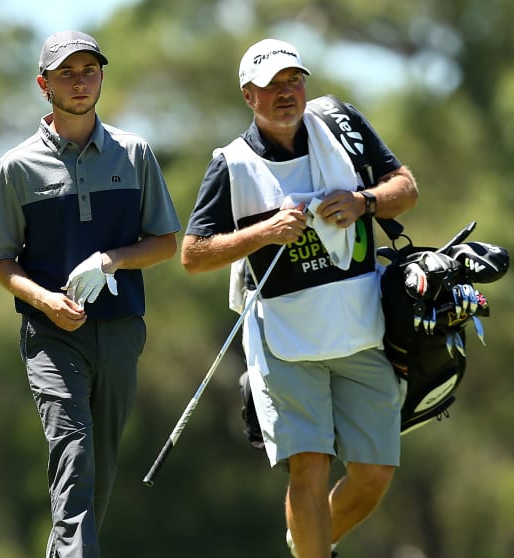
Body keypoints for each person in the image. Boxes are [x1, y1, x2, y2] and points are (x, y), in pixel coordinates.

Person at [181, 39, 419, 558]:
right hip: (284, 340)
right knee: (310, 466)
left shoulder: (342, 124)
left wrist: (363, 201)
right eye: (271, 86)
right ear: (249, 96)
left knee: (375, 473)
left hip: (361, 330)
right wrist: (265, 233)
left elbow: (405, 187)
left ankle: (308, 542)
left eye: (293, 81)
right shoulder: (232, 163)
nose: (286, 93)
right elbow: (194, 254)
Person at [0, 30, 181, 558]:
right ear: (44, 84)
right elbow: (0, 260)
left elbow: (163, 243)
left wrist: (113, 258)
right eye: (66, 72)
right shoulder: (17, 167)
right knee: (74, 452)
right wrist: (44, 300)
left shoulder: (134, 154)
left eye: (88, 69)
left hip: (120, 330)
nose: (80, 81)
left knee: (99, 464)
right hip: (51, 337)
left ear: (101, 76)